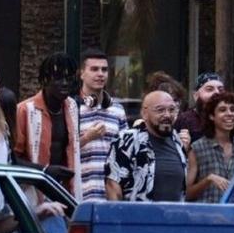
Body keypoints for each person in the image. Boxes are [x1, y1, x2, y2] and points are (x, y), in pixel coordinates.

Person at [14, 52, 82, 199]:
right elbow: (11, 159)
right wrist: (44, 170)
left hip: (65, 192)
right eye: (58, 78)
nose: (64, 83)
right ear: (45, 80)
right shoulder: (25, 110)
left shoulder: (72, 107)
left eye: (69, 78)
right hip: (33, 194)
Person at [105, 90, 189, 202]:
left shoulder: (178, 142)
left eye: (172, 110)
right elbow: (113, 186)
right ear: (145, 114)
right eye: (160, 110)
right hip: (137, 217)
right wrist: (116, 217)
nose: (167, 115)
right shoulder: (127, 140)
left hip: (174, 217)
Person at [76, 49, 127, 201]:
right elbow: (62, 152)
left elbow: (126, 152)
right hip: (80, 196)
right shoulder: (70, 107)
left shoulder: (117, 109)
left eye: (104, 70)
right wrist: (87, 138)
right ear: (81, 73)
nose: (100, 74)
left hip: (111, 197)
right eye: (94, 69)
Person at [186, 92, 234, 203]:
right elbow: (186, 193)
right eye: (222, 110)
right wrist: (208, 180)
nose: (229, 114)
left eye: (233, 109)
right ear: (211, 116)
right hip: (207, 216)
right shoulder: (197, 148)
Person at [175, 72, 224, 148]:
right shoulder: (185, 120)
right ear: (196, 95)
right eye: (210, 89)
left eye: (221, 90)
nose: (217, 92)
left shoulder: (229, 118)